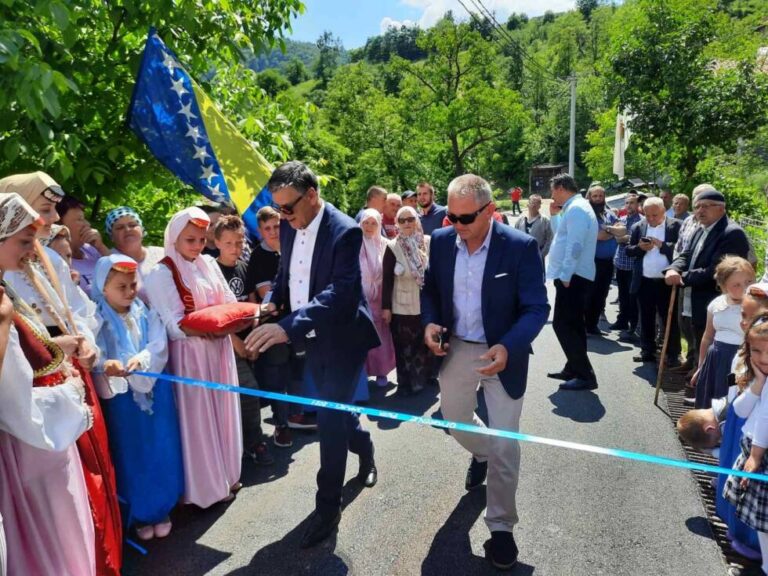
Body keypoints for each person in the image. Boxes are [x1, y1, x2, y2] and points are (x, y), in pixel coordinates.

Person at [244, 161, 379, 549]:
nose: (282, 216)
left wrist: (286, 327)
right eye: (278, 209)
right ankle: (365, 445)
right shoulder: (290, 224)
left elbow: (341, 294)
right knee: (333, 413)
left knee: (329, 422)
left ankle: (327, 509)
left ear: (313, 195)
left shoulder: (345, 231)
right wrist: (272, 303)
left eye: (288, 207)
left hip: (340, 338)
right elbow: (289, 271)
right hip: (307, 335)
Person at [422, 174, 548, 570]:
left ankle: (501, 529)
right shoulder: (442, 242)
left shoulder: (520, 248)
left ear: (491, 211)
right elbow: (430, 290)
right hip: (458, 347)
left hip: (503, 352)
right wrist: (429, 322)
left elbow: (536, 308)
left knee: (506, 443)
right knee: (455, 420)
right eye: (451, 218)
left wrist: (508, 346)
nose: (456, 226)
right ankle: (481, 453)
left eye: (465, 218)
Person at [0, 171, 123, 576]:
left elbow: (66, 314)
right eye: (45, 209)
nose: (51, 221)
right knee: (61, 511)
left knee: (91, 489)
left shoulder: (42, 259)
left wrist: (82, 342)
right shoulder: (10, 272)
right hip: (39, 415)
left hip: (67, 388)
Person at [146, 207, 243, 508]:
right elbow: (174, 324)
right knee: (201, 419)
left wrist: (225, 324)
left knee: (224, 411)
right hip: (192, 356)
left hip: (218, 350)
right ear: (174, 238)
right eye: (190, 239)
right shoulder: (161, 272)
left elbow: (228, 300)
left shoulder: (209, 263)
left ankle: (229, 472)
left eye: (202, 239)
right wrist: (206, 327)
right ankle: (208, 487)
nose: (197, 246)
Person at [92, 254, 184, 541]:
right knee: (131, 451)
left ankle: (162, 506)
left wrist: (143, 359)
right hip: (122, 401)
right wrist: (108, 364)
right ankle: (140, 512)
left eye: (133, 285)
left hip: (155, 391)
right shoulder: (96, 318)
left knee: (160, 445)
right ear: (102, 286)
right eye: (122, 287)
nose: (130, 292)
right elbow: (95, 355)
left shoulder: (144, 310)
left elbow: (157, 344)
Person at [665, 185, 751, 381]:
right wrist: (673, 268)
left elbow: (717, 271)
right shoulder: (700, 229)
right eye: (697, 206)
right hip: (694, 297)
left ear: (721, 208)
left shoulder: (731, 233)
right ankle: (694, 371)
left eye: (706, 206)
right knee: (694, 334)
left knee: (710, 344)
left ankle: (704, 386)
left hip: (714, 299)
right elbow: (686, 254)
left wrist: (682, 277)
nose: (700, 211)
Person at [213, 214, 275, 464]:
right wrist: (238, 343)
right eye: (228, 243)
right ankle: (254, 443)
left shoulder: (243, 266)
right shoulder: (213, 271)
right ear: (216, 242)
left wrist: (255, 337)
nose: (235, 249)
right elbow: (216, 314)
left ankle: (247, 439)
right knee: (249, 392)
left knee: (252, 394)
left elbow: (251, 303)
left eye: (239, 243)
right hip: (228, 344)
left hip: (250, 340)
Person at [244, 206, 298, 446]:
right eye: (267, 228)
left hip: (300, 320)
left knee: (298, 371)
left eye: (277, 226)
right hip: (272, 324)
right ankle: (281, 423)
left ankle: (300, 415)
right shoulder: (258, 257)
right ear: (260, 231)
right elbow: (269, 294)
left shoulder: (296, 246)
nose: (273, 232)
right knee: (277, 375)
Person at [722, 313, 768, 576]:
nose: (762, 357)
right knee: (762, 524)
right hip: (752, 446)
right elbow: (740, 407)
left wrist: (756, 455)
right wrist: (757, 384)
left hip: (759, 454)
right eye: (757, 350)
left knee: (763, 522)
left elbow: (766, 416)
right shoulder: (757, 372)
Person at [546, 173, 599, 390]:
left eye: (552, 190)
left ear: (560, 187)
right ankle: (573, 368)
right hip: (574, 276)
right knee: (574, 325)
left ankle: (585, 374)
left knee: (563, 324)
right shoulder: (575, 207)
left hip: (573, 277)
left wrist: (566, 275)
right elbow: (562, 235)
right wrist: (553, 216)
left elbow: (575, 246)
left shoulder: (577, 208)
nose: (551, 196)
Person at [688, 256, 754, 408]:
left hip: (741, 361)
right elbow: (707, 337)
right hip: (715, 360)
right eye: (736, 285)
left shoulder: (756, 306)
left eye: (749, 281)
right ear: (724, 286)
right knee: (710, 403)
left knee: (730, 401)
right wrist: (701, 367)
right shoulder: (716, 304)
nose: (744, 288)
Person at [626, 197, 682, 365]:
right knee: (646, 317)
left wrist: (662, 246)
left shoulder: (676, 226)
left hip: (666, 282)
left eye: (654, 215)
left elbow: (682, 251)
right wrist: (639, 248)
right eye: (647, 215)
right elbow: (629, 250)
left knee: (669, 318)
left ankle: (673, 354)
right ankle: (647, 350)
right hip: (645, 281)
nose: (650, 219)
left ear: (663, 211)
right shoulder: (639, 226)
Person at [382, 206, 431, 396]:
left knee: (423, 344)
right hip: (401, 304)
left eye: (410, 219)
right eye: (402, 221)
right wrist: (386, 307)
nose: (407, 224)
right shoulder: (392, 246)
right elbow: (386, 279)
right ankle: (404, 381)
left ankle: (421, 379)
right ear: (397, 224)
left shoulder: (427, 242)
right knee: (403, 346)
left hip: (424, 303)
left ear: (417, 220)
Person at [359, 209, 396, 387]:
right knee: (362, 334)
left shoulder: (385, 244)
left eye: (373, 223)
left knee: (381, 336)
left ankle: (381, 372)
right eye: (366, 222)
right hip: (361, 296)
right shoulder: (354, 243)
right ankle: (363, 373)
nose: (369, 226)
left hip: (380, 296)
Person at [106, 206, 166, 304]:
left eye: (132, 225)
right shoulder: (107, 261)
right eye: (120, 227)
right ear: (111, 236)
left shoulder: (162, 254)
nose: (127, 229)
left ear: (142, 230)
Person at [56, 195, 111, 295]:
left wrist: (101, 247)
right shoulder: (57, 260)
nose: (87, 224)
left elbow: (124, 273)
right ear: (60, 226)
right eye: (80, 219)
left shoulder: (90, 250)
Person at [584, 185, 618, 335]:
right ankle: (585, 326)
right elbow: (599, 236)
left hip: (608, 262)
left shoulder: (609, 214)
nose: (598, 199)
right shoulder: (588, 215)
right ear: (589, 198)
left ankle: (593, 325)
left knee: (602, 294)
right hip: (593, 261)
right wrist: (612, 232)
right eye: (595, 196)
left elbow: (623, 231)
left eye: (600, 196)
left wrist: (608, 230)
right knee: (589, 294)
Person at [610, 193, 642, 338]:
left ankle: (633, 326)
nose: (629, 206)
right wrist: (622, 237)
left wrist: (623, 237)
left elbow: (632, 240)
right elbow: (617, 237)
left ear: (638, 205)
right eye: (627, 203)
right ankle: (622, 321)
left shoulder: (641, 222)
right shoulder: (621, 220)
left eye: (632, 203)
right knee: (622, 296)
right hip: (620, 263)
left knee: (632, 297)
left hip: (633, 266)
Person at [513, 193, 553, 262]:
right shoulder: (520, 220)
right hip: (521, 256)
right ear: (527, 204)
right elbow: (514, 237)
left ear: (540, 206)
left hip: (537, 256)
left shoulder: (545, 220)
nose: (533, 205)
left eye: (537, 203)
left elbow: (549, 239)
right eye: (532, 202)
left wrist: (541, 255)